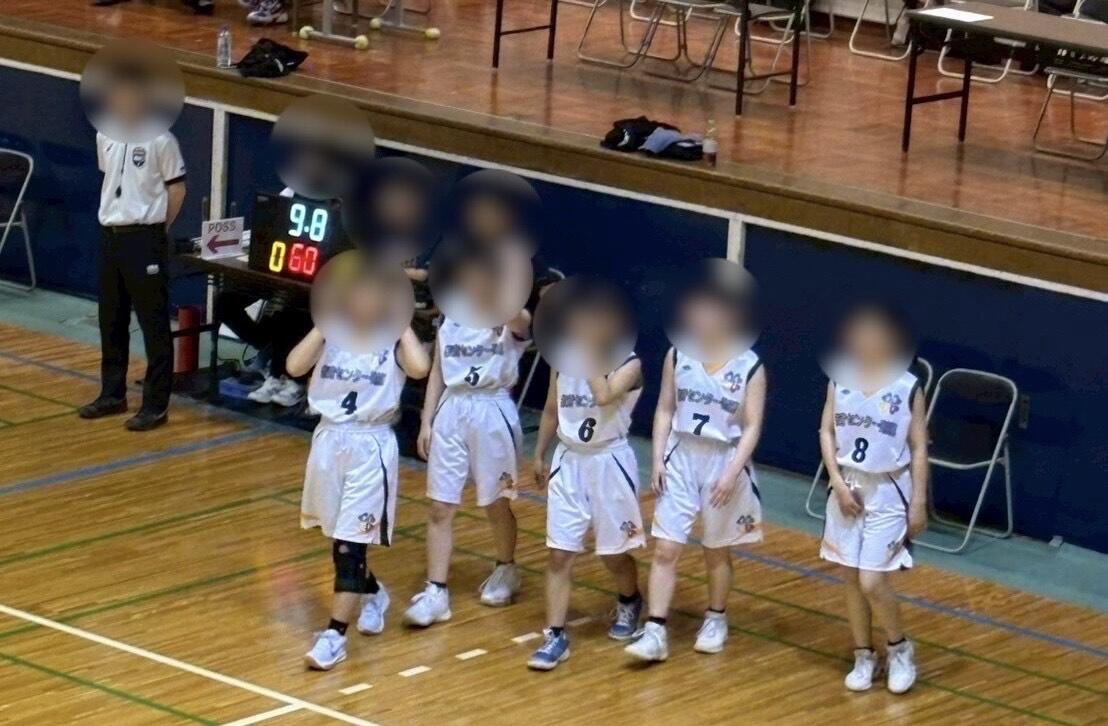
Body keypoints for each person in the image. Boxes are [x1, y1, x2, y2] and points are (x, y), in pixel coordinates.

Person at [288, 270, 430, 671]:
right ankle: (373, 591)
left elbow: (419, 368)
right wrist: (323, 324)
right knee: (338, 537)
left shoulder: (393, 339)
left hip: (371, 445)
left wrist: (402, 323)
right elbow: (295, 365)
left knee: (351, 545)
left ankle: (334, 636)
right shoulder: (331, 332)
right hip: (329, 441)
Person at [625, 288, 766, 662]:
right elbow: (664, 410)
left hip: (725, 459)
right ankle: (655, 630)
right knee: (666, 547)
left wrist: (732, 473)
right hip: (682, 455)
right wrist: (658, 459)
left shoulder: (750, 365)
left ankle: (716, 618)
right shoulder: (678, 354)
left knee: (715, 550)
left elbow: (753, 426)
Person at [404, 256, 531, 626]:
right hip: (452, 408)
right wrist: (427, 420)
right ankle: (436, 591)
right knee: (439, 505)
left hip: (492, 409)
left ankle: (507, 568)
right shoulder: (452, 313)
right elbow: (438, 371)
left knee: (496, 503)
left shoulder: (509, 314)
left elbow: (523, 322)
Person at [527, 301, 645, 671]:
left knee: (612, 554)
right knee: (559, 553)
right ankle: (555, 635)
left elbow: (603, 395)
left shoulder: (630, 364)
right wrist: (539, 453)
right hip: (569, 460)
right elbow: (552, 408)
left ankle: (630, 599)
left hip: (609, 462)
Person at [817, 304, 928, 694]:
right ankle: (864, 654)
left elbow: (919, 447)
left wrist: (919, 503)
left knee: (871, 580)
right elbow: (826, 431)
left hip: (889, 490)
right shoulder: (840, 379)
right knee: (851, 576)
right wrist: (836, 482)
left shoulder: (907, 386)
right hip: (847, 486)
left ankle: (899, 648)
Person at [79, 78, 186, 432]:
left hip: (145, 237)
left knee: (153, 323)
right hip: (110, 235)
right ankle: (112, 394)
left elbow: (177, 188)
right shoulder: (104, 134)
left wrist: (158, 230)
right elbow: (111, 180)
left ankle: (155, 405)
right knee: (111, 318)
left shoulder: (162, 140)